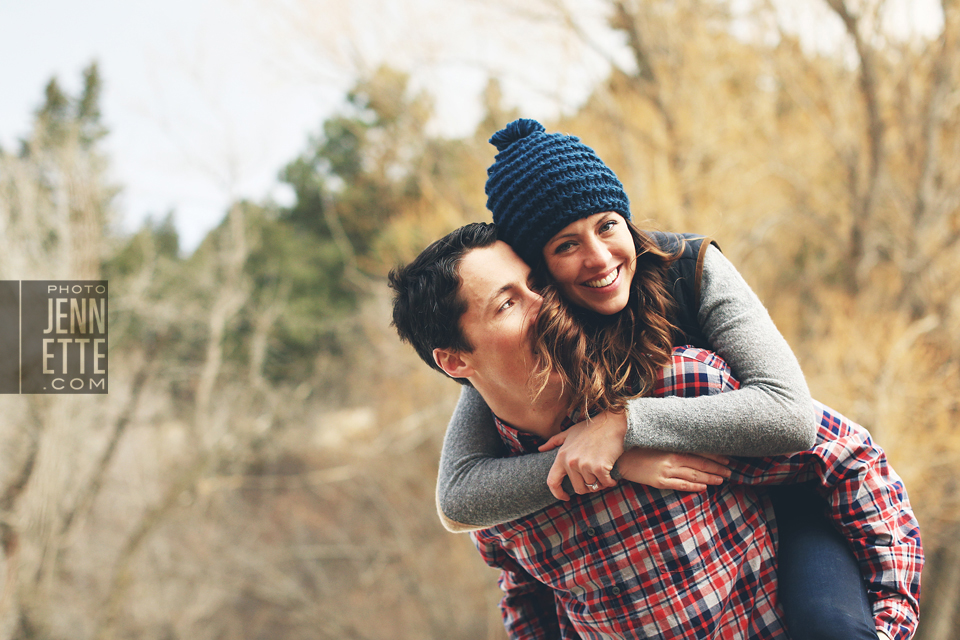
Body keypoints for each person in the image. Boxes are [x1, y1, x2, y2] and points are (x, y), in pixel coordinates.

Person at [434, 119, 893, 638]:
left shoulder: (690, 271)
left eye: (608, 225)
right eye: (565, 245)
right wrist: (619, 463)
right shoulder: (535, 334)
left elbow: (788, 416)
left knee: (831, 627)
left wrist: (623, 425)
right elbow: (461, 495)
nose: (600, 258)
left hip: (785, 498)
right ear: (536, 270)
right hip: (661, 553)